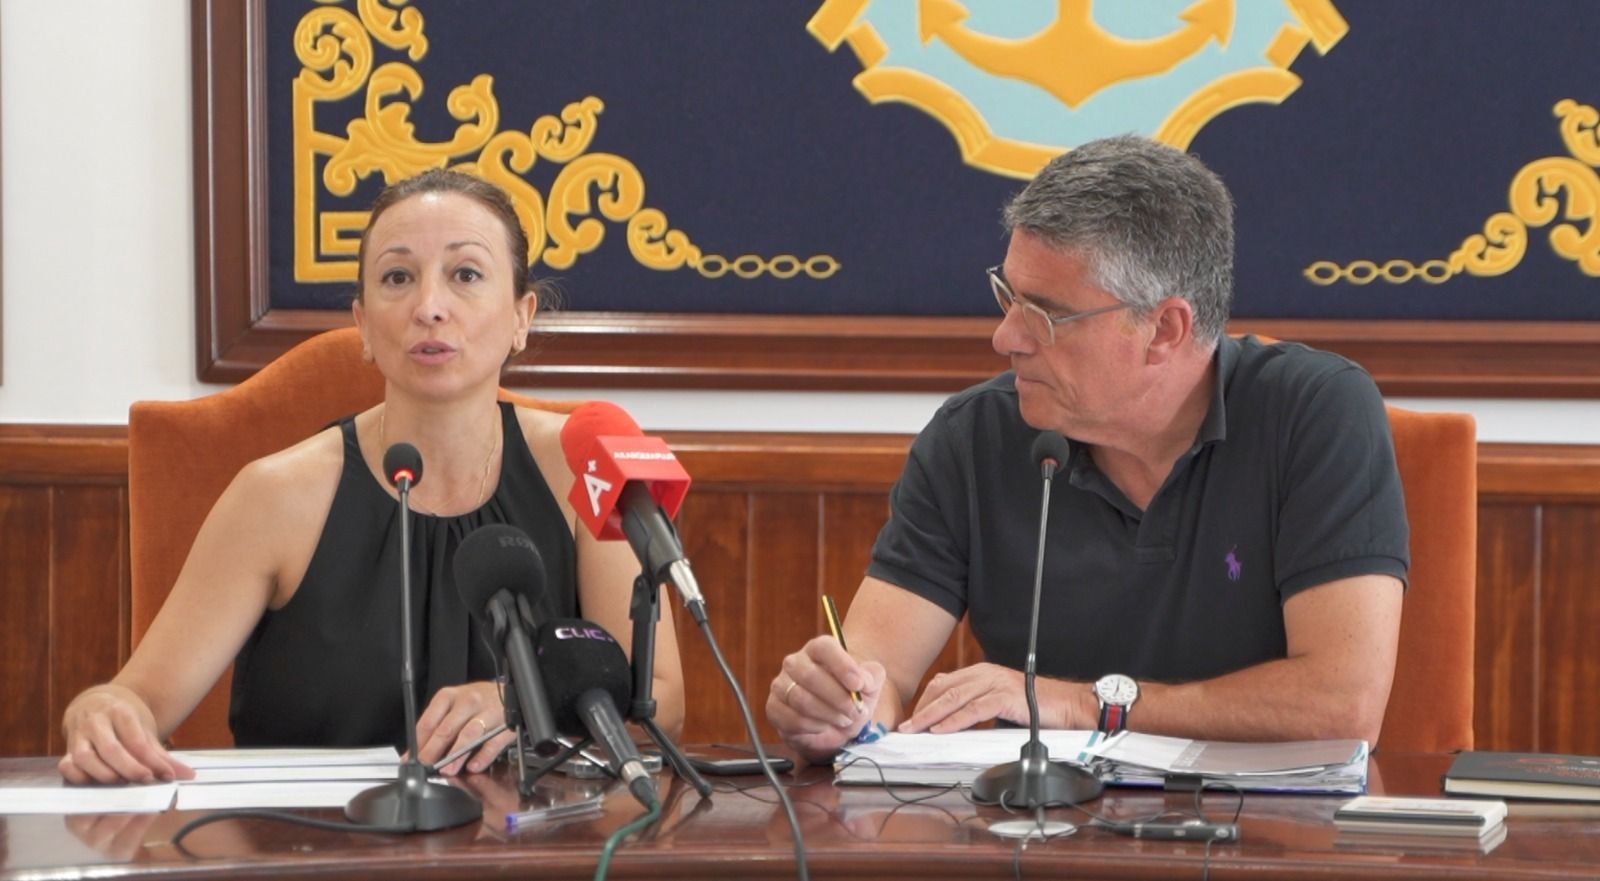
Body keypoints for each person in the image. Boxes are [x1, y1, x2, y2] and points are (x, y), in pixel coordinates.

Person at [767, 135, 1408, 765]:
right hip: (1038, 838)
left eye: (1044, 314)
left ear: (1164, 329)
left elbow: (1342, 706)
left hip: (1268, 845)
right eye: (1007, 296)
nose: (1004, 337)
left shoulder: (1315, 413)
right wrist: (837, 709)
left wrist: (1084, 705)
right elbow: (879, 676)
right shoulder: (974, 436)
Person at [59, 169, 685, 784]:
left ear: (522, 317)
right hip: (313, 848)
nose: (429, 307)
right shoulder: (276, 496)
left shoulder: (584, 471)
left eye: (465, 275)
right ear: (362, 325)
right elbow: (136, 700)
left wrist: (518, 703)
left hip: (530, 845)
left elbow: (658, 701)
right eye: (397, 277)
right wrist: (100, 713)